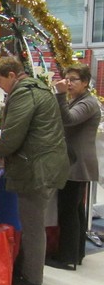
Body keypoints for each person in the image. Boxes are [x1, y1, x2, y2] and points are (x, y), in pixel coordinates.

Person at [0, 56, 69, 285]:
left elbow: (12, 136)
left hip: (36, 168)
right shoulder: (39, 88)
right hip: (46, 164)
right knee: (34, 223)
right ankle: (27, 269)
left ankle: (31, 277)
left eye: (0, 81)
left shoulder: (23, 93)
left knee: (32, 225)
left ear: (12, 75)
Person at [46, 64, 101, 270]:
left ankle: (66, 257)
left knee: (68, 211)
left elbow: (68, 120)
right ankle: (76, 253)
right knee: (75, 210)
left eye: (73, 79)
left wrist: (59, 94)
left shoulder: (88, 102)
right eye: (66, 79)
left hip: (77, 164)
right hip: (74, 161)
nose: (68, 83)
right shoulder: (79, 100)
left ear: (85, 82)